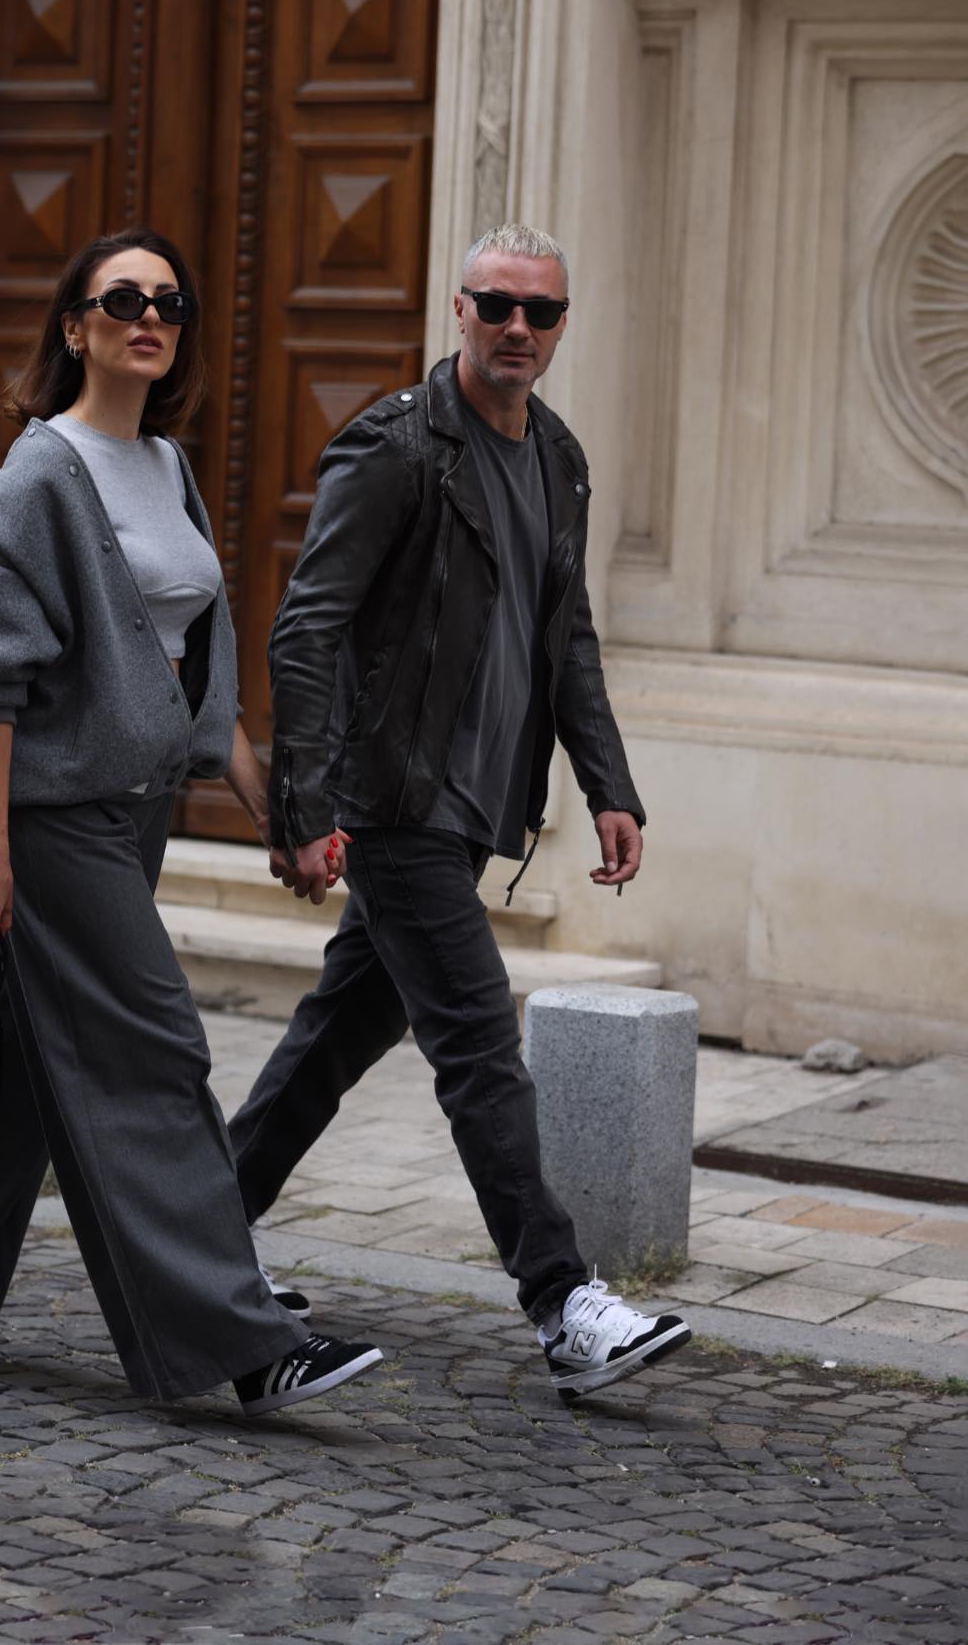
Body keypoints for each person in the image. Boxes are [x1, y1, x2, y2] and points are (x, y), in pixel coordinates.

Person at [0, 229, 381, 1417]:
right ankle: (238, 1340)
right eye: (122, 299)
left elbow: (195, 679)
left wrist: (275, 815)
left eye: (169, 301)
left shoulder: (164, 467)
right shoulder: (43, 475)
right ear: (74, 327)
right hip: (52, 818)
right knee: (153, 1047)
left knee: (21, 1061)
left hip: (135, 814)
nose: (149, 317)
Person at [227, 223, 691, 1401]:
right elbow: (307, 629)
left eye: (541, 311)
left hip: (478, 803)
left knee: (337, 1037)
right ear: (460, 309)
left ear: (562, 324)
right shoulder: (398, 447)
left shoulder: (559, 457)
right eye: (497, 305)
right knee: (481, 1048)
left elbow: (566, 635)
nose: (518, 329)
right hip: (397, 800)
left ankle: (197, 1237)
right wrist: (303, 805)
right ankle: (562, 1302)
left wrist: (609, 785)